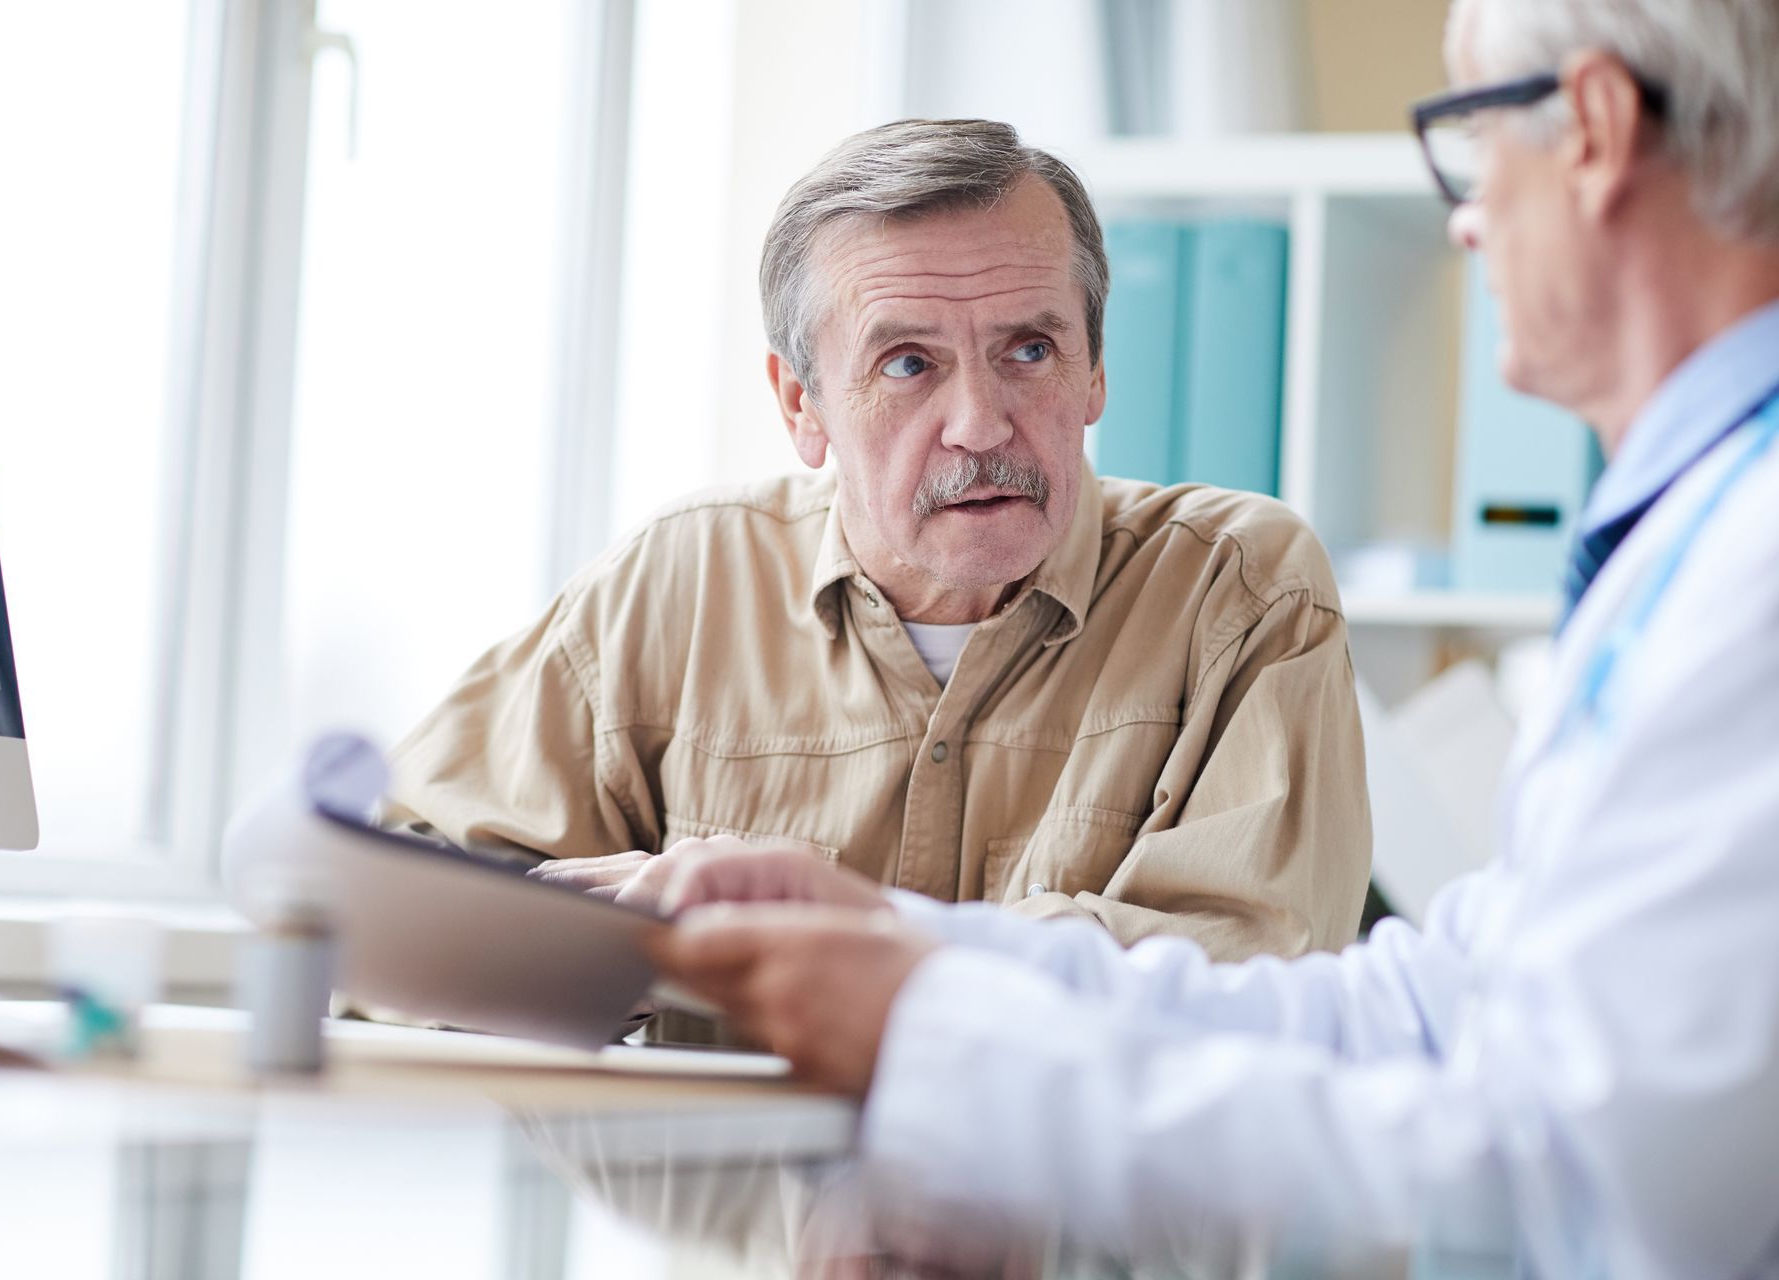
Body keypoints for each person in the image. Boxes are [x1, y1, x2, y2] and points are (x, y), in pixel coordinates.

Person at [648, 0, 1779, 1272]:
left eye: (1467, 135)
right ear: (799, 403)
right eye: (908, 363)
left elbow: (1569, 1188)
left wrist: (931, 1033)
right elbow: (1422, 1011)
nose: (1464, 217)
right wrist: (901, 942)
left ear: (1595, 131)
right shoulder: (1707, 533)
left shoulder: (1753, 576)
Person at [380, 119, 1373, 1041]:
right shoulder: (677, 584)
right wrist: (608, 955)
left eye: (1030, 349)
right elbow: (396, 919)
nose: (981, 423)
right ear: (800, 402)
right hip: (732, 1222)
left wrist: (806, 941)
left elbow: (1255, 988)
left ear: (1096, 370)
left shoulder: (1241, 594)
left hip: (1088, 1230)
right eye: (907, 364)